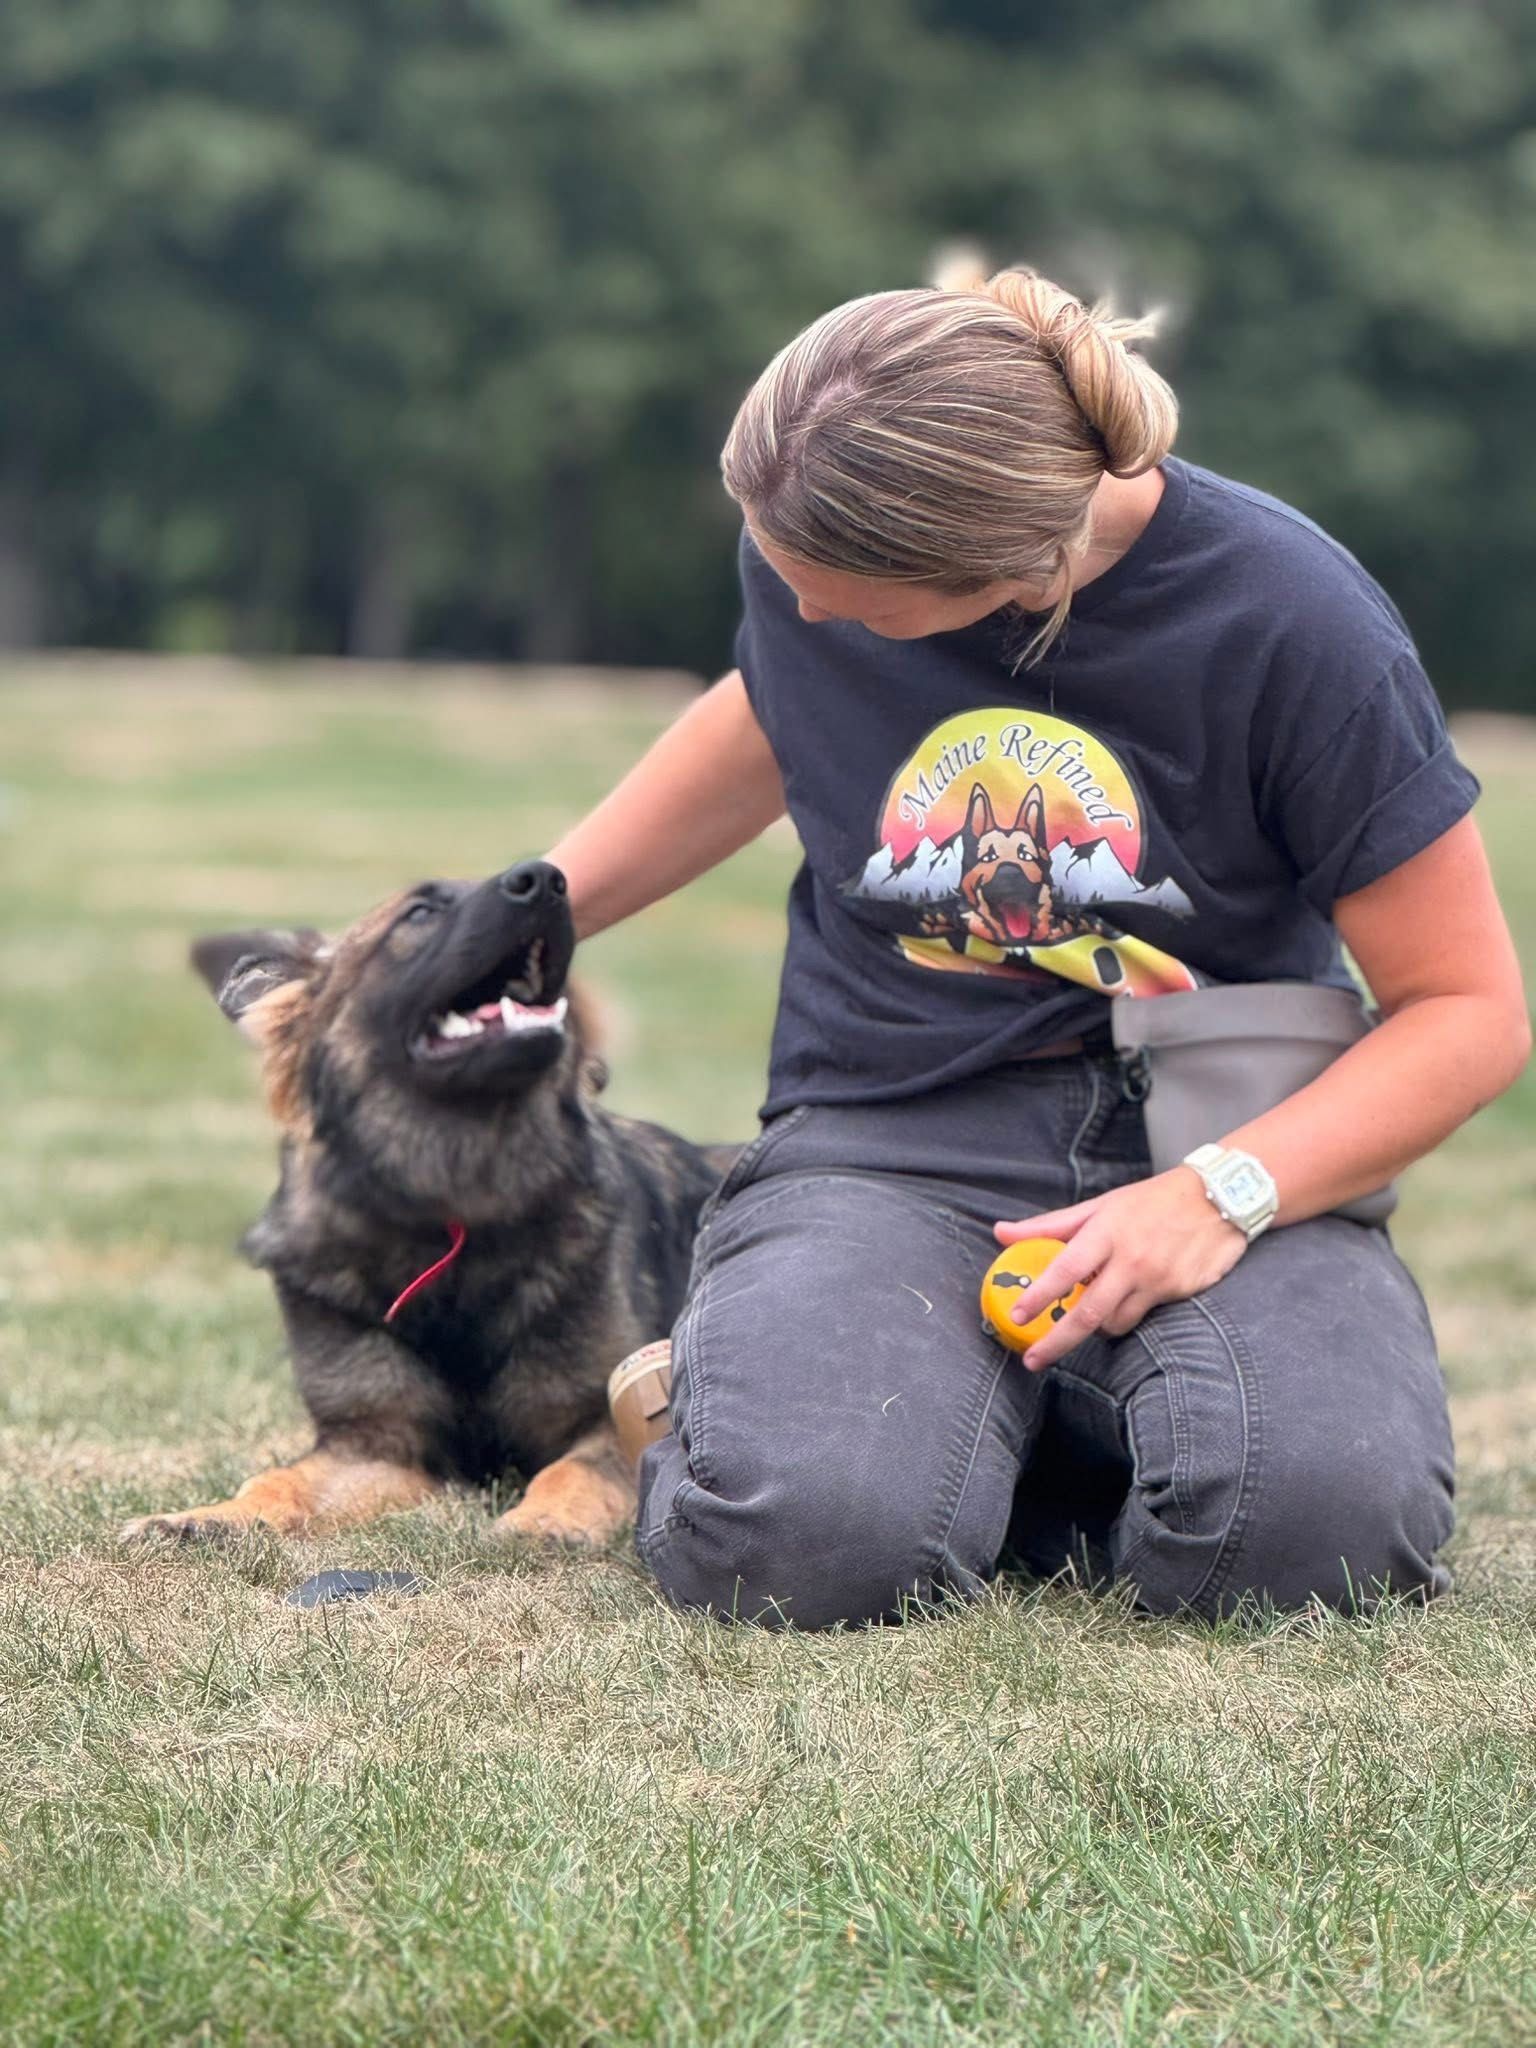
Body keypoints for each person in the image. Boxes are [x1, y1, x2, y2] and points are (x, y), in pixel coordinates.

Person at [546, 263, 1530, 1629]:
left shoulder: (1298, 622)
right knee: (798, 1547)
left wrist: (1218, 1200)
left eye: (862, 609)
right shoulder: (810, 553)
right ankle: (833, 1424)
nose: (812, 620)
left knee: (1318, 1541)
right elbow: (770, 710)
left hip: (1220, 1140)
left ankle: (1001, 1432)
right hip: (897, 1128)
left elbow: (1469, 1009)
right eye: (787, 581)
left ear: (1026, 569)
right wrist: (539, 910)